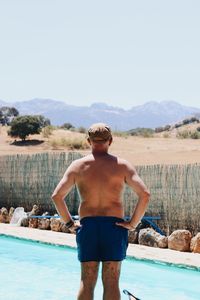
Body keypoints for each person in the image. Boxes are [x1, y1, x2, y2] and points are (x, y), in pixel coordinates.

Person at [51, 123, 150, 300]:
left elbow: (57, 196)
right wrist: (132, 224)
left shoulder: (78, 166)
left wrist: (69, 224)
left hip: (88, 226)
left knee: (87, 281)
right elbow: (145, 194)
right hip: (114, 227)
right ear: (110, 141)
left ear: (88, 141)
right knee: (111, 281)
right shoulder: (122, 166)